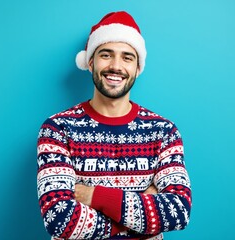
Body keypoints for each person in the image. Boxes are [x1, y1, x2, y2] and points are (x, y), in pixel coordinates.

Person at [37, 11, 192, 240]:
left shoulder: (163, 132)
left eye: (127, 57)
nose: (116, 66)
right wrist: (141, 212)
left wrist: (92, 196)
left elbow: (177, 211)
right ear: (90, 63)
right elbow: (59, 219)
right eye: (106, 55)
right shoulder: (57, 129)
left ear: (138, 68)